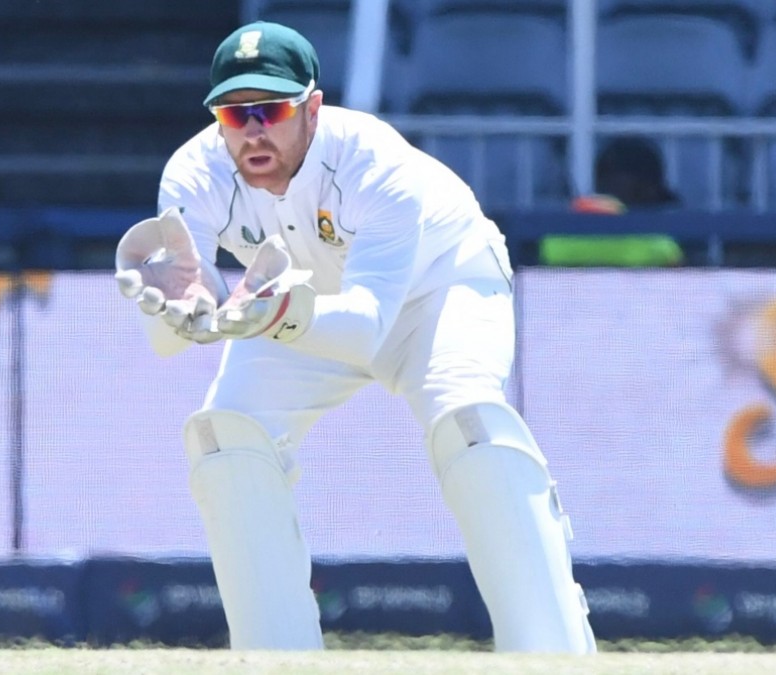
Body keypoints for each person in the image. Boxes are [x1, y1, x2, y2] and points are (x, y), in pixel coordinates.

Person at [113, 21, 596, 653]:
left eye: (271, 110)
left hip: (437, 288)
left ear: (312, 108)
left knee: (471, 423)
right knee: (224, 437)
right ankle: (275, 659)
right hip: (291, 302)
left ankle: (552, 654)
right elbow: (172, 334)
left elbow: (367, 327)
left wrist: (273, 313)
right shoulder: (192, 173)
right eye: (234, 114)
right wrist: (178, 310)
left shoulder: (373, 161)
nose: (253, 131)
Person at [543, 136, 685, 267]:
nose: (654, 208)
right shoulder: (659, 248)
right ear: (642, 188)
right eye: (652, 195)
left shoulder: (557, 238)